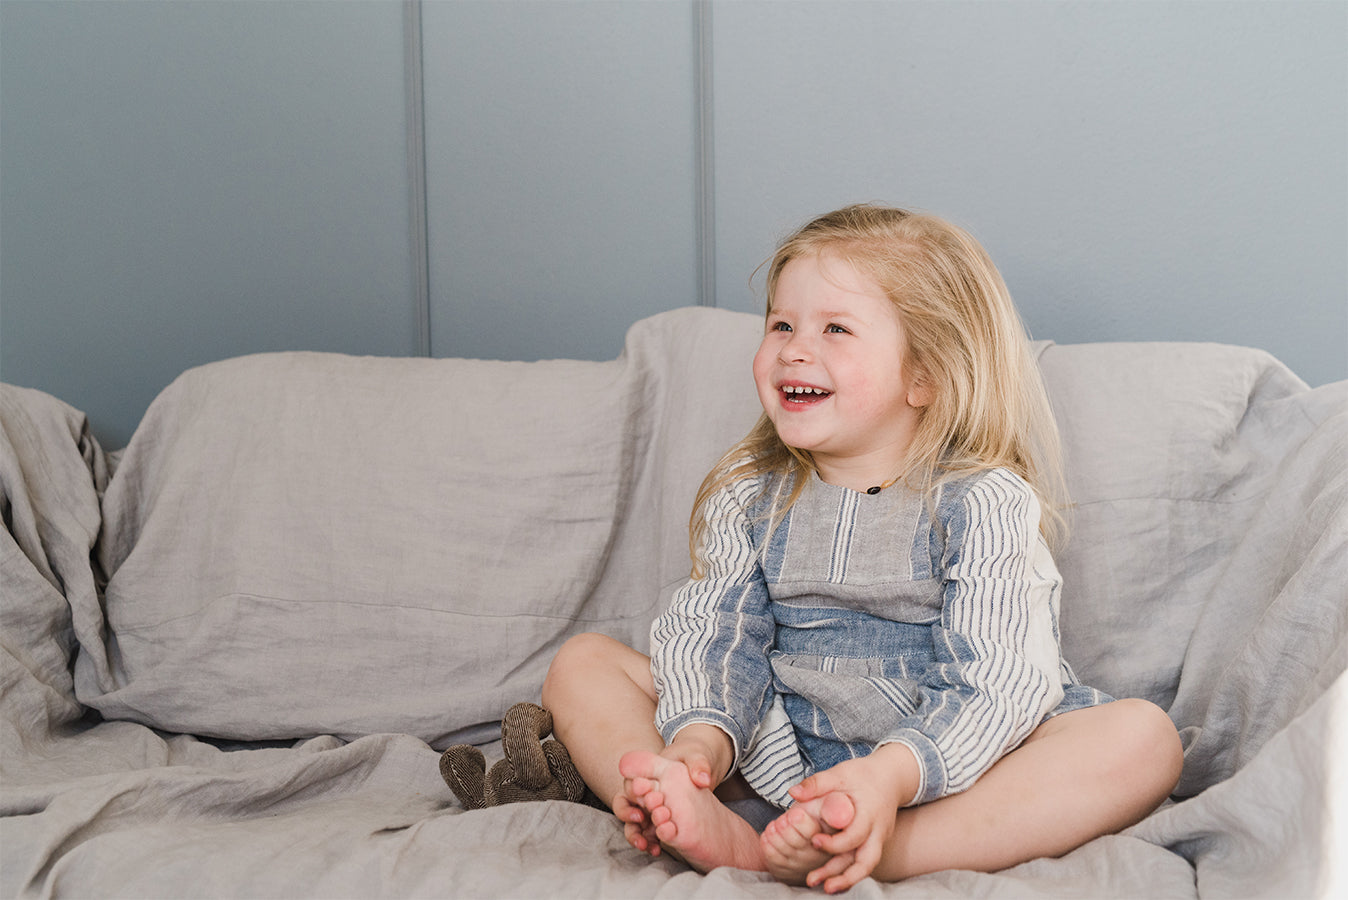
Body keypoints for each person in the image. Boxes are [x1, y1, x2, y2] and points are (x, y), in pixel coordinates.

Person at [542, 204, 1183, 893]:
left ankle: (886, 847)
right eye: (782, 324)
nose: (793, 348)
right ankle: (699, 809)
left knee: (1144, 740)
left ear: (925, 376)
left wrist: (890, 774)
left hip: (946, 767)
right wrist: (698, 747)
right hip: (778, 755)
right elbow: (719, 638)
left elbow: (999, 677)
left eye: (835, 330)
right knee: (584, 665)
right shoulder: (748, 495)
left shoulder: (980, 500)